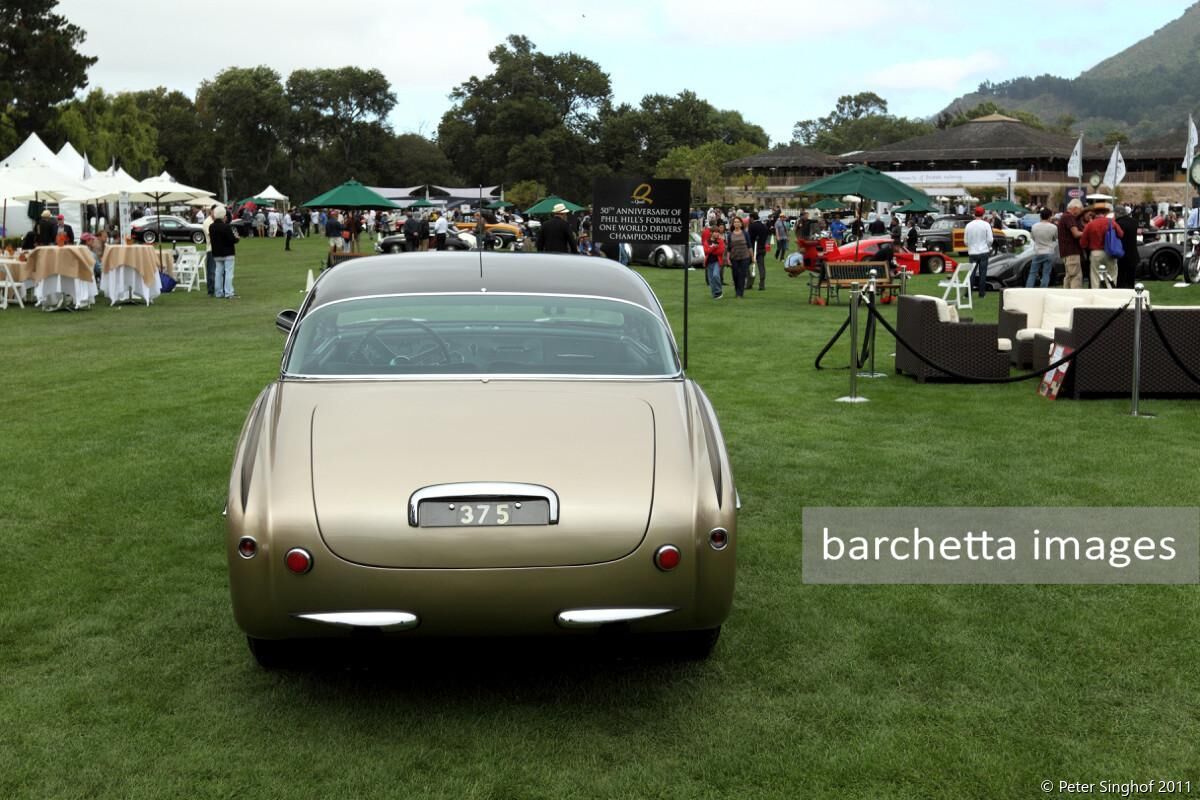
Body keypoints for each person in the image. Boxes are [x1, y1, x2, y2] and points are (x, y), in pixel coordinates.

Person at [1080, 204, 1122, 287]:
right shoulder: (1111, 222)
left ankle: (1096, 293)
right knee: (1111, 275)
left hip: (1096, 253)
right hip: (1110, 251)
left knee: (1095, 277)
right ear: (1105, 213)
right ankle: (1110, 292)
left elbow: (1083, 243)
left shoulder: (1090, 224)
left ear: (1095, 213)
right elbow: (1121, 234)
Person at [963, 206, 994, 298]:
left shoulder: (969, 225)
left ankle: (968, 293)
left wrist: (970, 246)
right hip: (983, 251)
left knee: (971, 274)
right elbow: (990, 239)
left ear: (974, 214)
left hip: (972, 252)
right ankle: (982, 293)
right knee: (982, 273)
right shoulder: (986, 225)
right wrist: (987, 246)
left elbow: (965, 241)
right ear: (983, 214)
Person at [208, 206, 237, 299]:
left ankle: (218, 292)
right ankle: (228, 292)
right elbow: (232, 239)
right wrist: (237, 238)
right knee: (228, 273)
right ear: (224, 216)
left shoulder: (211, 227)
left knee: (218, 273)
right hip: (228, 253)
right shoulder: (226, 227)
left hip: (217, 253)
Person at [1056, 199, 1086, 289]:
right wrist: (1087, 232)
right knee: (1076, 277)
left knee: (1069, 277)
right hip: (1072, 252)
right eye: (1080, 210)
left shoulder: (1064, 217)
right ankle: (1075, 295)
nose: (1080, 212)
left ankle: (1066, 294)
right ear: (1075, 208)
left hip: (1066, 252)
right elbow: (1076, 234)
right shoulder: (1069, 217)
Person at [1027, 208, 1058, 288]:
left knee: (1032, 273)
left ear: (1040, 216)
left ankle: (1028, 289)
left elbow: (1033, 238)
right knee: (1046, 273)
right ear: (1050, 216)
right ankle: (1043, 289)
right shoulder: (1053, 227)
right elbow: (1055, 238)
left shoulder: (1034, 226)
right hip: (1049, 251)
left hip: (1038, 251)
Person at [1115, 205, 1139, 289]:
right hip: (1133, 253)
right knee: (1130, 280)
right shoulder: (1134, 222)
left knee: (1121, 279)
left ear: (1118, 213)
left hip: (1121, 254)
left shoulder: (1118, 223)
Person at [727, 216, 752, 298]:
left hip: (745, 257)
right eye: (735, 222)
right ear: (733, 224)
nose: (736, 223)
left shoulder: (745, 233)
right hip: (734, 257)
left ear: (741, 224)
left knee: (742, 275)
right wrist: (728, 259)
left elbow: (749, 246)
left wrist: (752, 257)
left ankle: (740, 293)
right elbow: (729, 248)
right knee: (735, 275)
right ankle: (737, 290)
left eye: (738, 222)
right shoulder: (730, 235)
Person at [702, 225, 726, 299]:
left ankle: (719, 291)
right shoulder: (707, 241)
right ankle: (715, 294)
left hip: (717, 262)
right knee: (711, 280)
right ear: (711, 233)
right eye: (715, 232)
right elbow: (706, 251)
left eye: (718, 232)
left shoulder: (720, 241)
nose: (717, 233)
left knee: (715, 275)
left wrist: (711, 249)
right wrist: (713, 247)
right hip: (709, 262)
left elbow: (720, 251)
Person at [748, 212, 769, 291]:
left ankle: (749, 282)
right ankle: (762, 283)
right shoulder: (764, 226)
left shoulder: (752, 226)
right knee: (761, 266)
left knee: (746, 265)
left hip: (753, 249)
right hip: (761, 249)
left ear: (752, 218)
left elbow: (750, 238)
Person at [202, 205, 218, 296]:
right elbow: (211, 236)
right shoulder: (207, 222)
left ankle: (218, 288)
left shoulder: (217, 221)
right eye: (215, 211)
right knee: (212, 271)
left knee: (218, 270)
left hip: (218, 248)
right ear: (211, 211)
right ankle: (211, 290)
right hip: (211, 249)